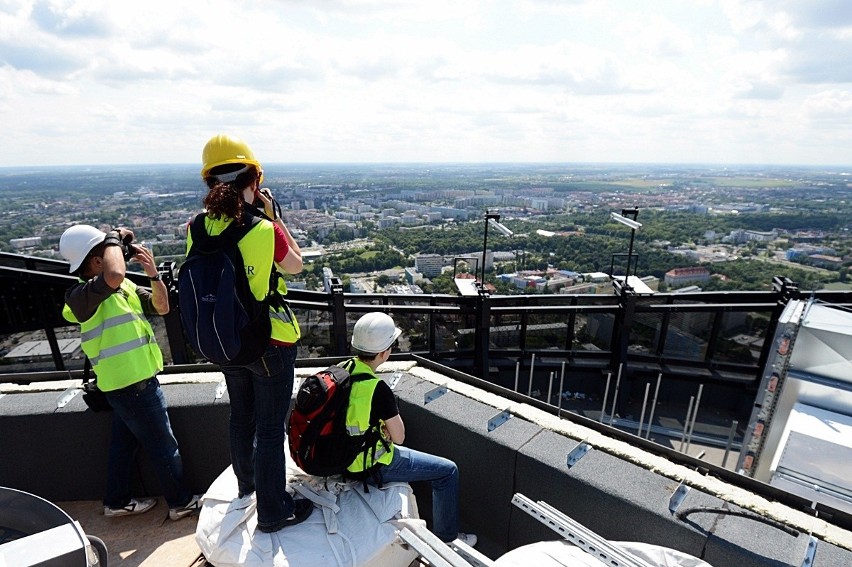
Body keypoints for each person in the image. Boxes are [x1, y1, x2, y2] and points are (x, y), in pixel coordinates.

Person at [192, 134, 311, 533]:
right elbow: (296, 266)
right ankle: (274, 510)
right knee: (269, 427)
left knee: (241, 416)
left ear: (210, 183)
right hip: (268, 341)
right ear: (254, 180)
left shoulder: (195, 227)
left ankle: (247, 487)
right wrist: (274, 217)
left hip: (225, 339)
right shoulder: (263, 229)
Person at [59, 224, 201, 520]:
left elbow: (161, 307)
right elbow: (113, 275)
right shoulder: (79, 297)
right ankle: (180, 503)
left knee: (124, 444)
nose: (119, 255)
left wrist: (153, 274)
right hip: (133, 385)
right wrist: (113, 235)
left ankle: (116, 501)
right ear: (97, 261)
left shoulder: (121, 289)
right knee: (164, 446)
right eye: (110, 252)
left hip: (129, 383)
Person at [341, 311, 477, 547]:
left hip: (340, 458)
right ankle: (447, 540)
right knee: (447, 472)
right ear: (384, 352)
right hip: (369, 466)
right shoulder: (377, 389)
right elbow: (400, 438)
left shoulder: (341, 370)